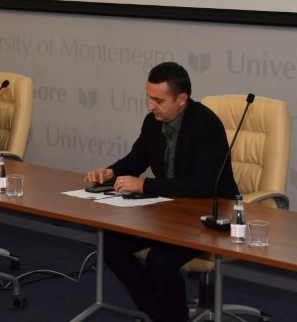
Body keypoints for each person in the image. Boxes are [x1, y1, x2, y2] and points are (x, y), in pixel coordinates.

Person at [85, 62, 239, 322]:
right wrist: (110, 172)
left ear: (181, 99)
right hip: (170, 212)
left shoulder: (206, 124)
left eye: (158, 100)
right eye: (149, 98)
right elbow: (137, 158)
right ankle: (160, 314)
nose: (150, 106)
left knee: (160, 261)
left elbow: (203, 184)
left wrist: (144, 185)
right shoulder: (153, 122)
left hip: (209, 215)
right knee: (112, 244)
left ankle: (172, 317)